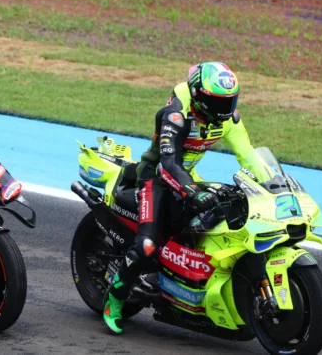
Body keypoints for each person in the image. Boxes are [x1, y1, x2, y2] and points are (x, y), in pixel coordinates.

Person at [102, 62, 258, 334]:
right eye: (217, 103)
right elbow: (167, 163)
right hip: (156, 178)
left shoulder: (227, 119)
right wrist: (192, 191)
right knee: (148, 244)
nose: (225, 111)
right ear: (198, 95)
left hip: (187, 176)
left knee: (221, 217)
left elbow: (249, 156)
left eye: (229, 102)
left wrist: (276, 182)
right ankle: (113, 300)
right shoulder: (176, 115)